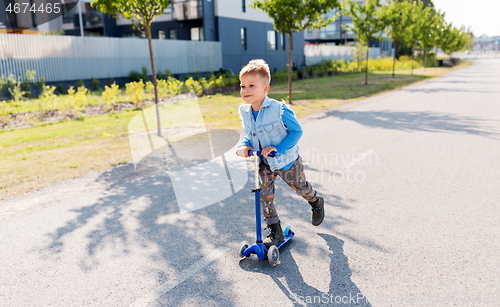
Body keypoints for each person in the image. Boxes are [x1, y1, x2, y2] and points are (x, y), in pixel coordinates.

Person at [236, 59, 324, 248]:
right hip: (264, 163)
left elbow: (296, 131)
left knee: (300, 188)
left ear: (265, 88)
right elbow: (248, 135)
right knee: (263, 195)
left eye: (252, 85)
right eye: (243, 86)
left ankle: (316, 201)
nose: (246, 90)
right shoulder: (244, 111)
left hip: (286, 160)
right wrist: (244, 145)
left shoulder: (279, 109)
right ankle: (274, 229)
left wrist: (279, 149)